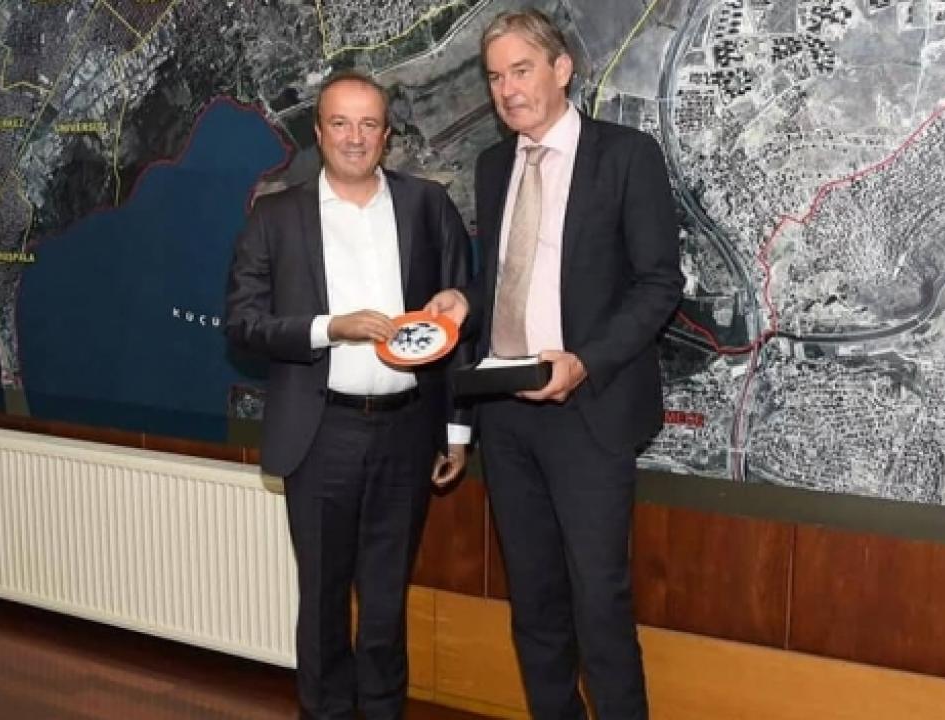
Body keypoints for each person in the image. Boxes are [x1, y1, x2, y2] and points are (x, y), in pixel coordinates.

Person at [425, 9, 683, 719]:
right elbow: (508, 279)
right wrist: (464, 300)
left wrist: (585, 363)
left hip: (588, 415)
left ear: (562, 68)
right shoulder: (493, 165)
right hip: (506, 418)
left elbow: (659, 283)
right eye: (495, 77)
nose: (507, 90)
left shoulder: (625, 157)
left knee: (599, 605)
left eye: (522, 70)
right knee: (534, 604)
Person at [226, 70, 472, 720]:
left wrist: (455, 429)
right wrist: (329, 329)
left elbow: (459, 321)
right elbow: (242, 324)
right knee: (323, 602)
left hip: (407, 434)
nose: (355, 137)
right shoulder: (275, 216)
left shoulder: (428, 206)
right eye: (341, 123)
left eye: (369, 124)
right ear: (319, 131)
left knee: (387, 603)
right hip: (320, 435)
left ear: (386, 135)